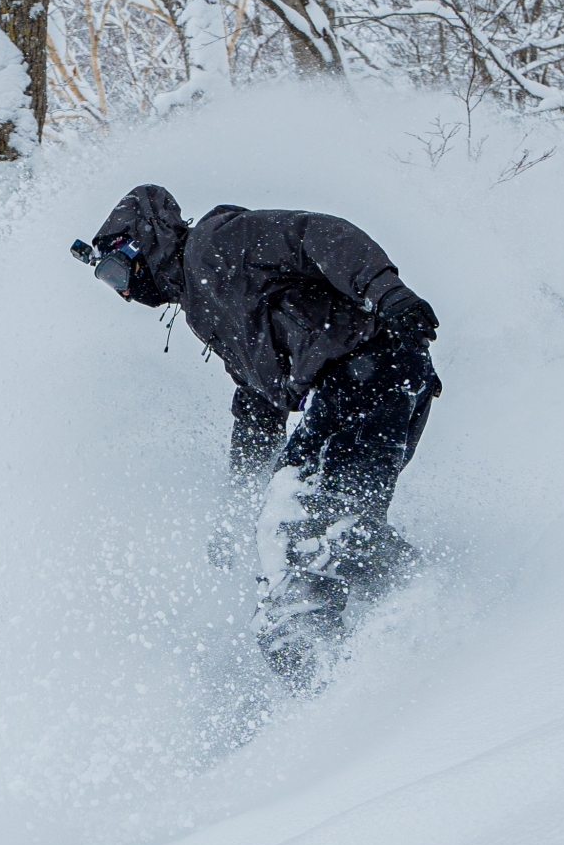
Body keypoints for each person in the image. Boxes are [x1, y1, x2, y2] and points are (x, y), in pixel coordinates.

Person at [79, 185, 441, 686]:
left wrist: (386, 293)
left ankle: (315, 668)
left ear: (144, 245)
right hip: (362, 381)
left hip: (370, 362)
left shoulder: (219, 241)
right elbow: (257, 406)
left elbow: (316, 234)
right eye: (107, 282)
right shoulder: (203, 305)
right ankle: (421, 601)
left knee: (300, 519)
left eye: (115, 272)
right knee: (331, 517)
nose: (121, 291)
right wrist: (239, 504)